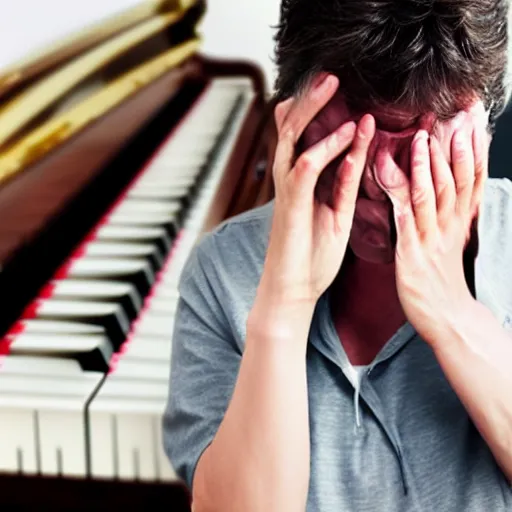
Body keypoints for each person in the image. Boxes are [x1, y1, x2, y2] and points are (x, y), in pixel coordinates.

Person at [163, 1, 512, 510]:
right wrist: (284, 308)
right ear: (291, 111)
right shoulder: (221, 273)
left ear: (478, 120)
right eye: (357, 133)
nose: (379, 180)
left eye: (412, 136)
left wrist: (454, 314)